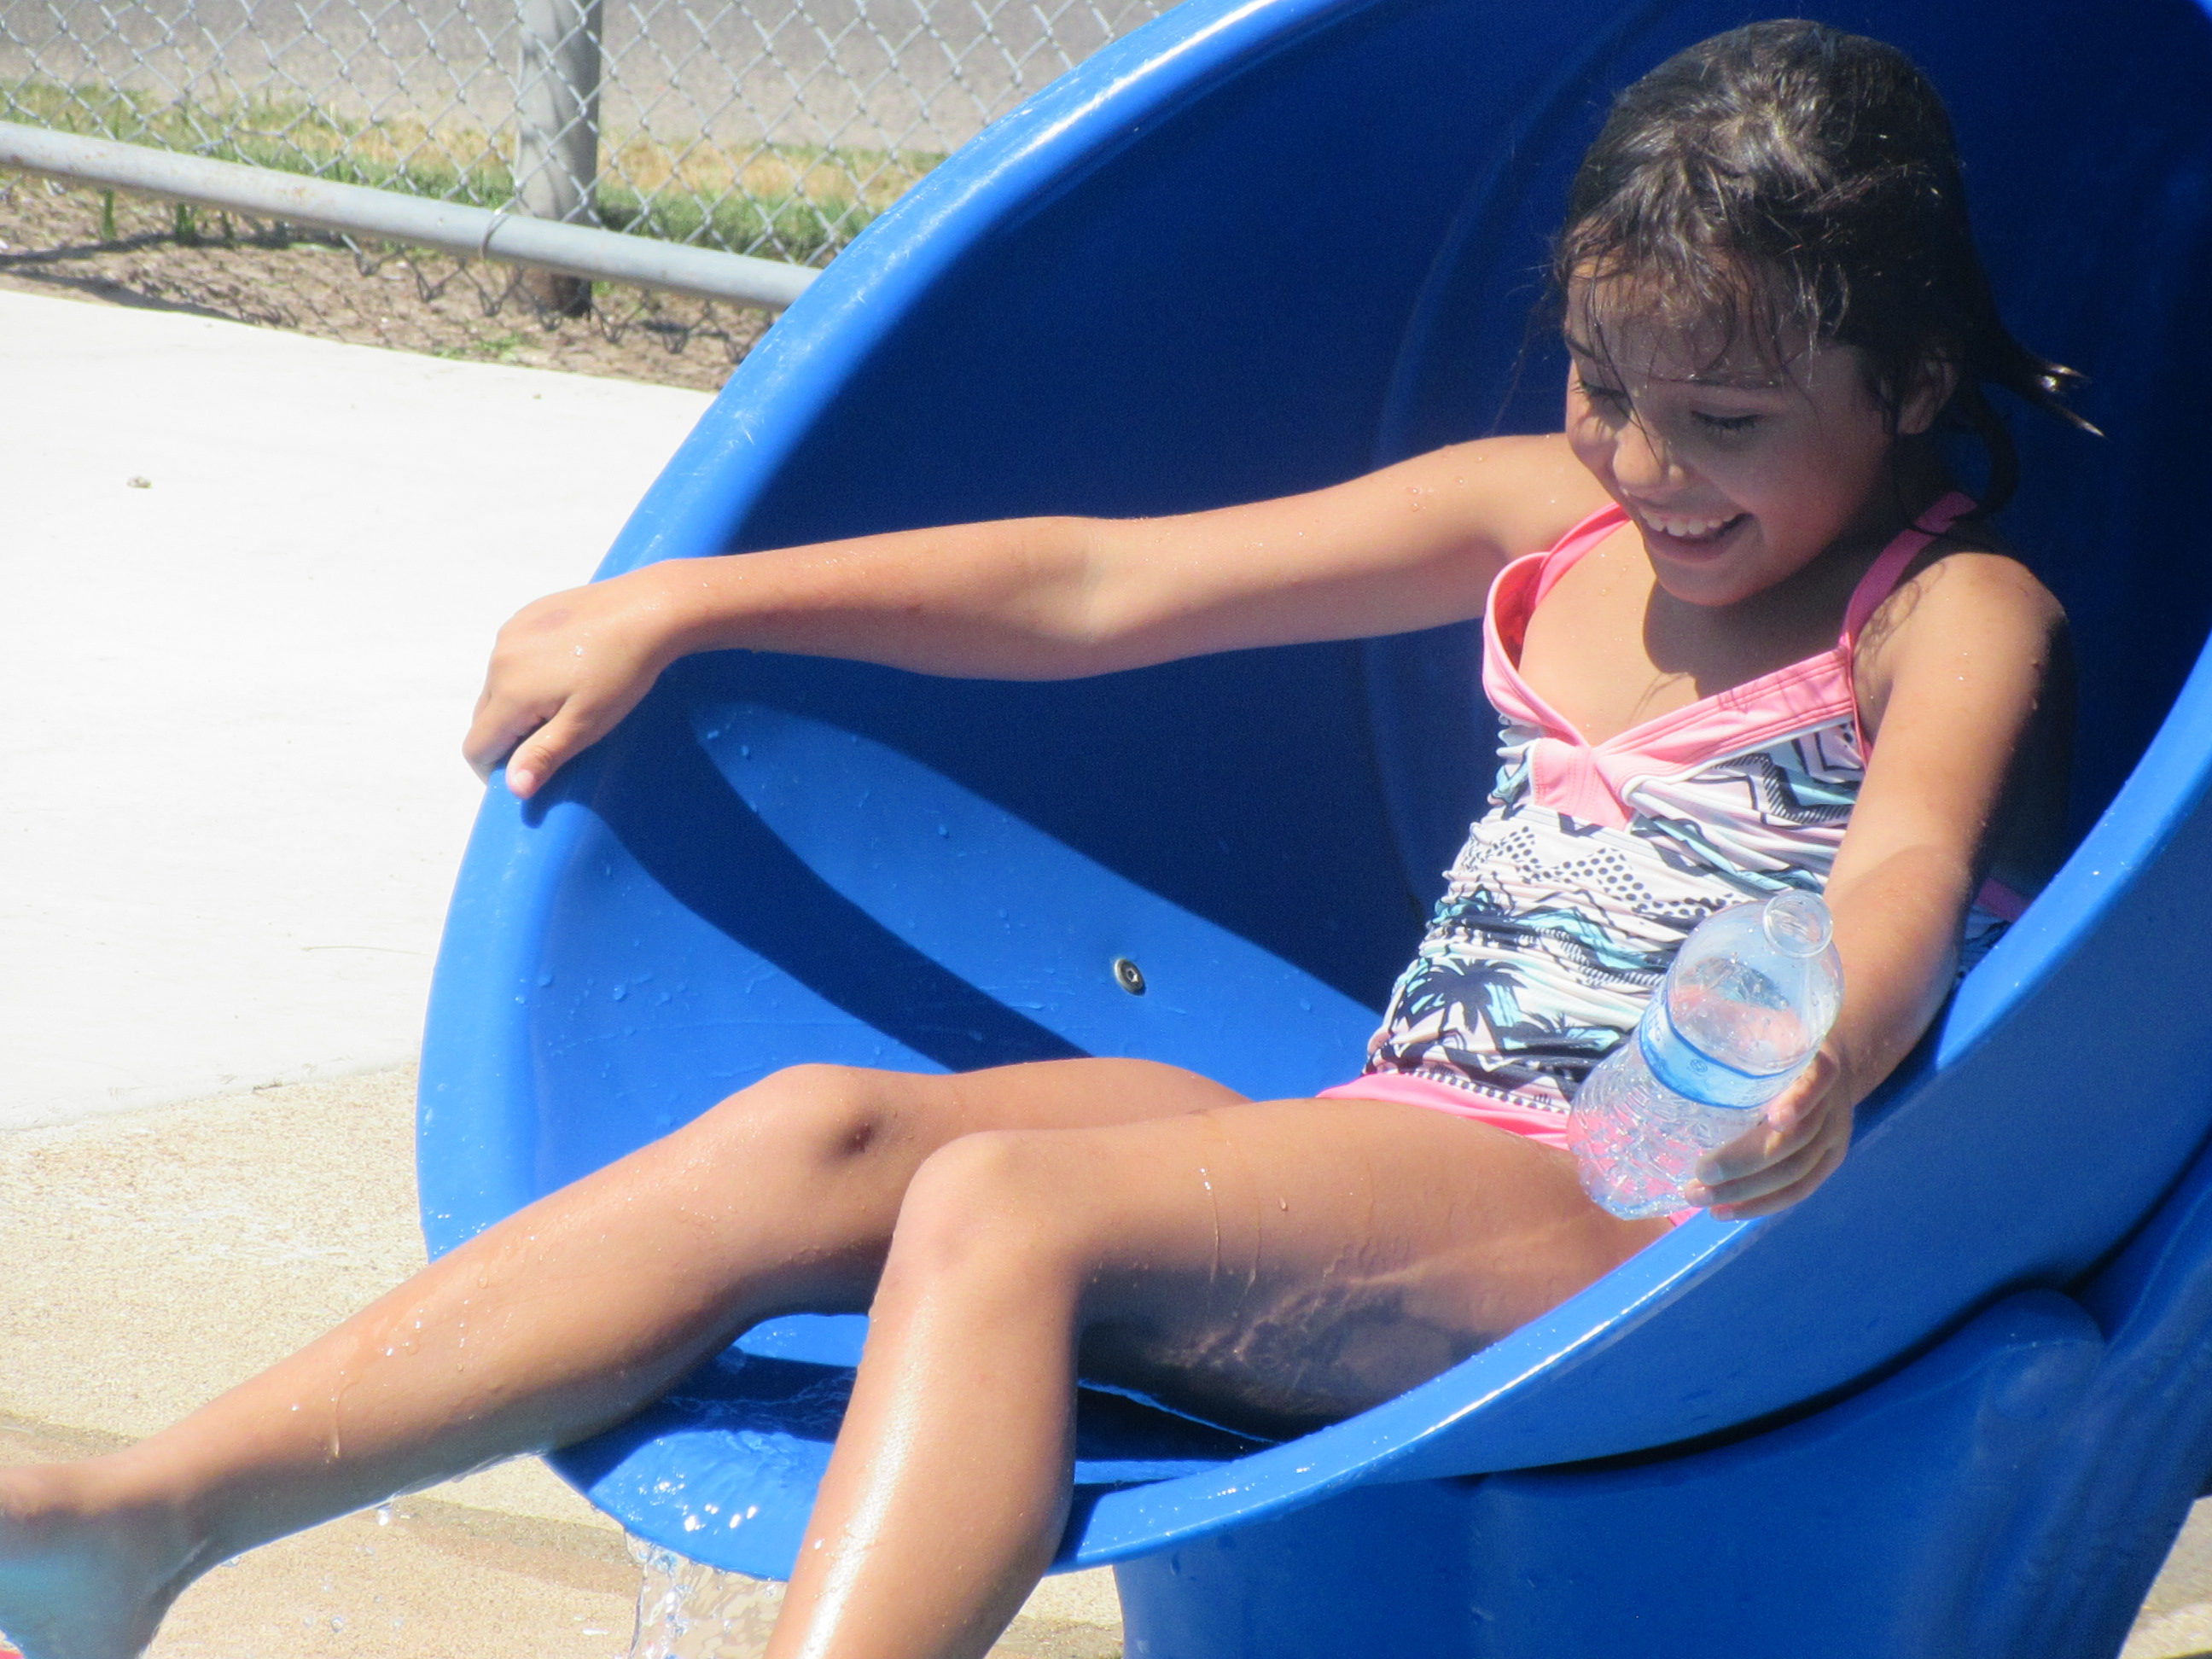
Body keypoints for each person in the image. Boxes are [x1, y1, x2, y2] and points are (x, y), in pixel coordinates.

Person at [0, 20, 2091, 1659]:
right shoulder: (1545, 522)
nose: (1646, 462)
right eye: (1602, 385)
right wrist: (694, 603)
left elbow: (1903, 863)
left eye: (1724, 422)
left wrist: (1836, 1037)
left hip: (1642, 1219)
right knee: (818, 1133)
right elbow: (1105, 585)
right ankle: (149, 1519)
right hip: (1416, 1133)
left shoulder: (1944, 609)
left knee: (1009, 1208)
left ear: (1910, 379)